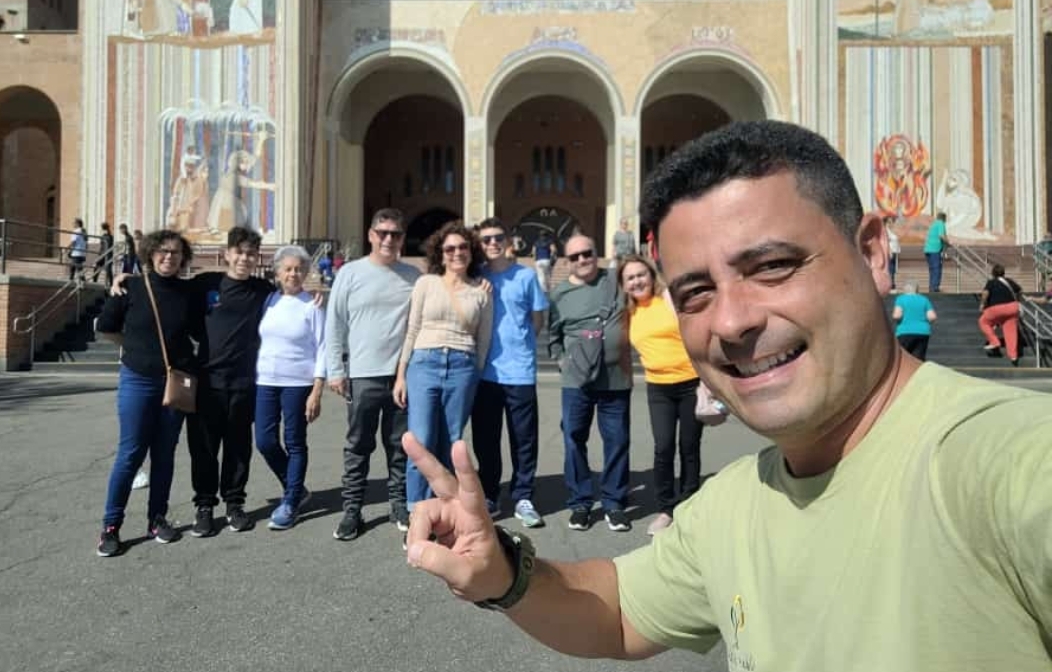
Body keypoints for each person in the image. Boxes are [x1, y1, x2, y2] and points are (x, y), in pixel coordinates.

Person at [400, 120, 1052, 669]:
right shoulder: (735, 502)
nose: (734, 321)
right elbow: (620, 609)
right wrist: (504, 573)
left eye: (771, 266)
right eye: (695, 293)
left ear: (875, 254)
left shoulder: (1004, 463)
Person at [94, 229, 202, 557]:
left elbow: (199, 329)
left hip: (175, 380)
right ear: (150, 254)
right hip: (138, 380)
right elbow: (105, 327)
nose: (169, 257)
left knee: (165, 454)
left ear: (184, 258)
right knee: (131, 453)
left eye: (175, 252)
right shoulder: (131, 287)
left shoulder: (188, 292)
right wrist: (132, 349)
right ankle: (110, 527)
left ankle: (157, 519)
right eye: (163, 252)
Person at [325, 208, 419, 541]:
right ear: (370, 235)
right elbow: (334, 323)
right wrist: (335, 370)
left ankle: (398, 505)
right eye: (382, 233)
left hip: (400, 377)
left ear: (403, 238)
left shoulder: (413, 277)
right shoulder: (350, 273)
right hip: (362, 375)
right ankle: (352, 511)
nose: (388, 239)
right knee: (357, 446)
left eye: (395, 234)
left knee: (399, 446)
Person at [394, 222, 493, 518]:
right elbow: (411, 330)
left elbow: (483, 340)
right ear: (441, 252)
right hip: (424, 362)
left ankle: (447, 511)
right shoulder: (426, 283)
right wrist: (401, 374)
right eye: (450, 248)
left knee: (452, 443)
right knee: (421, 440)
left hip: (462, 366)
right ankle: (418, 512)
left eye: (463, 247)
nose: (457, 253)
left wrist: (472, 374)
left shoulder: (483, 291)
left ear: (471, 251)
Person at [187, 226, 276, 537]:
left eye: (251, 253)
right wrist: (125, 279)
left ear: (257, 257)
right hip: (207, 382)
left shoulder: (263, 290)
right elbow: (165, 289)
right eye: (239, 252)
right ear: (227, 254)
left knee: (238, 447)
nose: (244, 258)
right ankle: (204, 506)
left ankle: (234, 504)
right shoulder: (205, 284)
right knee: (204, 448)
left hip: (245, 382)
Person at [547, 232, 632, 532]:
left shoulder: (616, 281)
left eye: (588, 253)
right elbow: (552, 335)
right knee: (573, 439)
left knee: (617, 441)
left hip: (616, 380)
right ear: (567, 262)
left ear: (597, 253)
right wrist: (561, 361)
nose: (583, 259)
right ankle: (580, 502)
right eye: (575, 256)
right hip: (576, 381)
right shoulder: (558, 295)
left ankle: (614, 503)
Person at [470, 218, 548, 527]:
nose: (492, 243)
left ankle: (523, 496)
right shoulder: (476, 277)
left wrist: (523, 345)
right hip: (485, 374)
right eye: (486, 239)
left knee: (523, 439)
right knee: (486, 439)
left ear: (508, 240)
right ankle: (490, 494)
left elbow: (537, 318)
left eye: (498, 237)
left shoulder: (526, 276)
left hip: (520, 372)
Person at [619, 254, 702, 536]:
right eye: (630, 278)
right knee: (663, 447)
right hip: (658, 388)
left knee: (689, 447)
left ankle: (689, 503)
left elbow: (695, 332)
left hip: (691, 382)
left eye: (641, 274)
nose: (637, 281)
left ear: (651, 275)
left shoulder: (667, 298)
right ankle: (666, 508)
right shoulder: (629, 311)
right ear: (623, 284)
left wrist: (708, 380)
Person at [254, 245, 326, 530]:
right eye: (288, 269)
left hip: (298, 383)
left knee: (294, 442)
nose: (293, 274)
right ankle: (295, 488)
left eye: (298, 269)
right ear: (278, 272)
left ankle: (291, 502)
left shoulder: (313, 305)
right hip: (266, 381)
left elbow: (323, 348)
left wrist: (316, 391)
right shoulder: (269, 300)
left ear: (306, 273)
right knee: (265, 441)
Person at [978, 263, 1023, 366]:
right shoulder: (1010, 281)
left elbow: (985, 294)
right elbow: (1020, 291)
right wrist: (1018, 301)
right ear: (1003, 273)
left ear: (993, 273)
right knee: (1010, 332)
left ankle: (994, 341)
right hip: (1012, 308)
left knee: (983, 322)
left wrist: (982, 304)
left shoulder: (991, 282)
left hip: (996, 308)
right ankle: (1013, 355)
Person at [891, 281, 936, 361]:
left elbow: (897, 315)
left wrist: (896, 320)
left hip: (904, 332)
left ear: (905, 290)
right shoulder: (924, 299)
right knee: (919, 359)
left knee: (903, 359)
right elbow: (932, 317)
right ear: (917, 290)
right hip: (923, 332)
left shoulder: (901, 299)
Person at [923, 210, 948, 292]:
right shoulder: (941, 223)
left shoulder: (933, 224)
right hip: (935, 249)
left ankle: (932, 287)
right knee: (936, 269)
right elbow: (941, 235)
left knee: (932, 269)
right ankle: (934, 288)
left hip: (928, 249)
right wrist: (948, 242)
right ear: (944, 218)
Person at [884, 215, 900, 291]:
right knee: (890, 269)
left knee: (892, 270)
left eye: (892, 222)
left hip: (894, 252)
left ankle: (892, 284)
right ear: (886, 222)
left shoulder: (891, 230)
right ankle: (890, 285)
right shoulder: (885, 230)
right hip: (889, 252)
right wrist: (889, 251)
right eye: (889, 222)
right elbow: (886, 241)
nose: (891, 223)